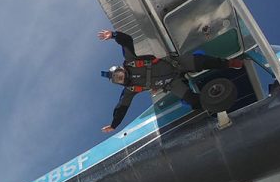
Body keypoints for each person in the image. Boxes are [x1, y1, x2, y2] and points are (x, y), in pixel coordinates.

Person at [98, 29, 244, 133]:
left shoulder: (130, 61)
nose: (121, 78)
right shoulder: (129, 91)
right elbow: (121, 108)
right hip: (171, 83)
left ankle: (229, 64)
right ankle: (217, 103)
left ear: (120, 69)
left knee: (202, 61)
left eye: (118, 74)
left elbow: (127, 41)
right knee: (193, 101)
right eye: (118, 80)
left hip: (175, 64)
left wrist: (113, 35)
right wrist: (114, 125)